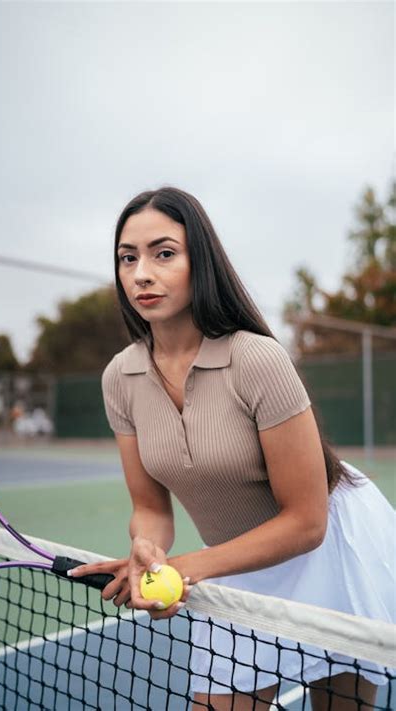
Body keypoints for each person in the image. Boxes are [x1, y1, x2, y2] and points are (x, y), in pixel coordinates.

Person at [68, 186, 395, 710]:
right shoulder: (119, 378)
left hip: (332, 546)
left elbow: (307, 522)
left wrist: (185, 568)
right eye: (127, 258)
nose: (141, 273)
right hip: (234, 564)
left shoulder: (258, 359)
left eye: (164, 253)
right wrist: (148, 551)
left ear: (202, 263)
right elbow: (150, 508)